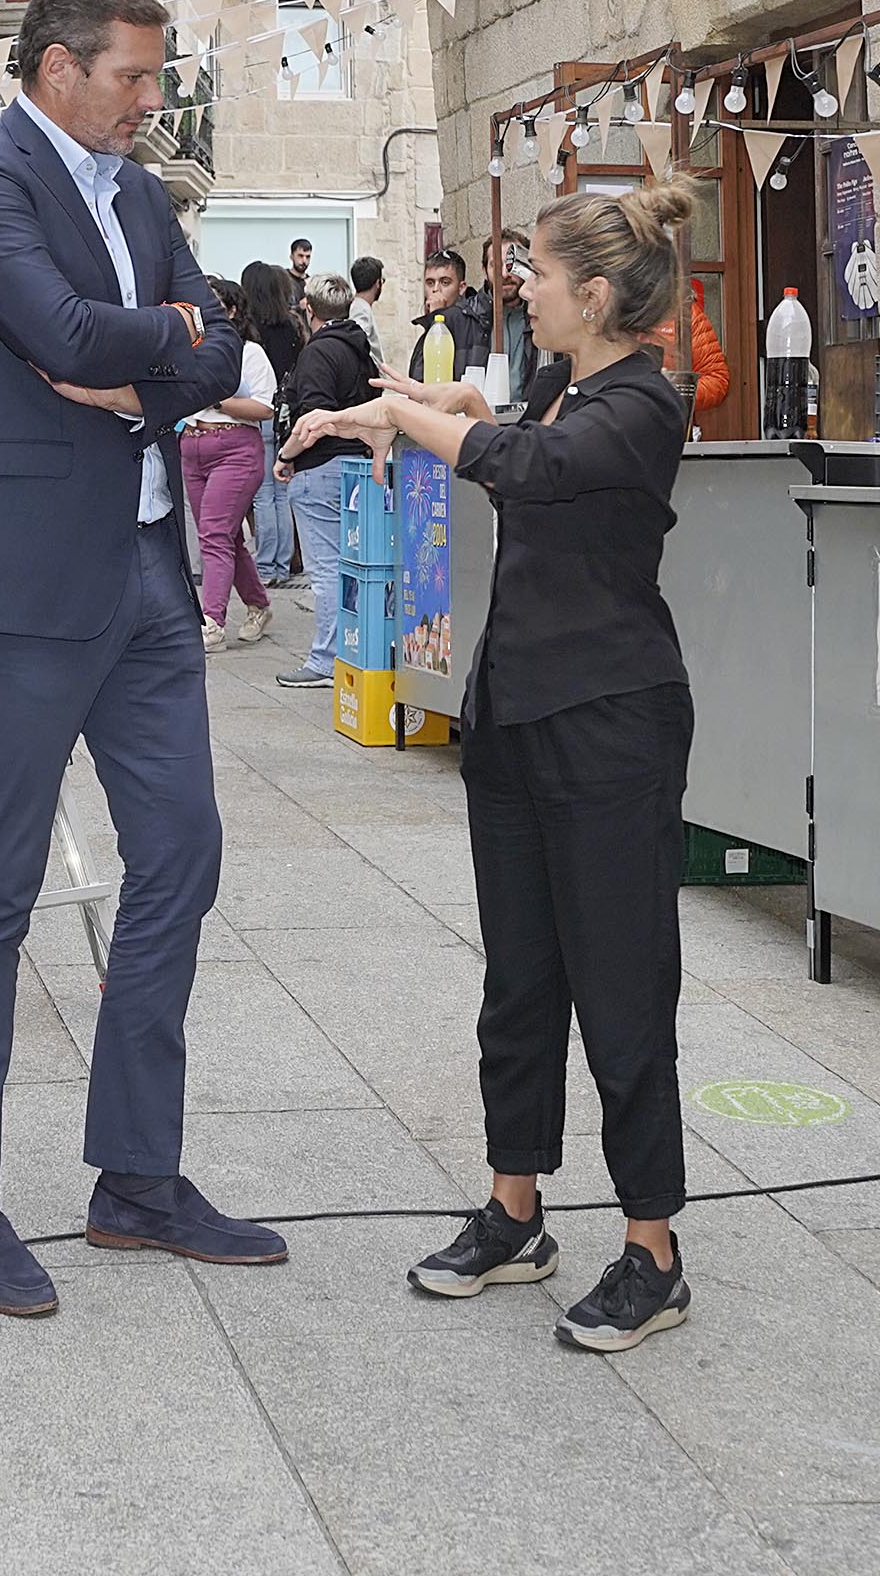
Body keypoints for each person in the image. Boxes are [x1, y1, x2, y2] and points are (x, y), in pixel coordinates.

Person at [0, 0, 273, 1320]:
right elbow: (57, 329)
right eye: (130, 73)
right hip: (22, 584)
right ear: (56, 66)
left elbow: (227, 352)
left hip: (145, 568)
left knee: (180, 853)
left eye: (152, 72)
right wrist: (158, 345)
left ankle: (136, 1177)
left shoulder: (138, 191)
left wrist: (157, 346)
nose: (147, 97)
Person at [287, 181, 703, 1354]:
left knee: (622, 989)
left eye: (535, 269)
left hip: (612, 724)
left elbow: (525, 462)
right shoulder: (577, 385)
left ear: (598, 293)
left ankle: (653, 1249)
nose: (519, 281)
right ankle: (515, 1208)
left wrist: (409, 415)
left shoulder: (645, 405)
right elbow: (507, 420)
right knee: (519, 980)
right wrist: (418, 401)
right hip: (518, 712)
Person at [272, 276, 376, 692]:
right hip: (356, 465)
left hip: (321, 468)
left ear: (308, 309)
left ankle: (327, 659)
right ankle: (351, 652)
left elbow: (311, 420)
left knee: (328, 568)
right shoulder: (360, 350)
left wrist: (286, 455)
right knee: (352, 565)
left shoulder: (319, 353)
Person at [177, 302, 277, 648]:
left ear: (232, 311)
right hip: (192, 445)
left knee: (214, 533)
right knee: (226, 536)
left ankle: (212, 621)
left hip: (235, 447)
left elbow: (264, 407)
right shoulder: (190, 350)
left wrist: (217, 398)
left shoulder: (249, 352)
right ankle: (258, 605)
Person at [238, 262, 304, 584]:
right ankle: (282, 564)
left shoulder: (252, 330)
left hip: (260, 410)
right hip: (287, 415)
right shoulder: (291, 326)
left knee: (263, 494)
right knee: (281, 494)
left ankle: (265, 567)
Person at [410, 250, 494, 384]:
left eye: (445, 282)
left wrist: (440, 316)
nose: (435, 290)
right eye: (430, 283)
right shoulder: (429, 327)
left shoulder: (473, 322)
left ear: (461, 288)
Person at [348, 253, 389, 367]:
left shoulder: (358, 306)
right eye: (382, 280)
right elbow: (357, 343)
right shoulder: (360, 309)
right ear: (377, 283)